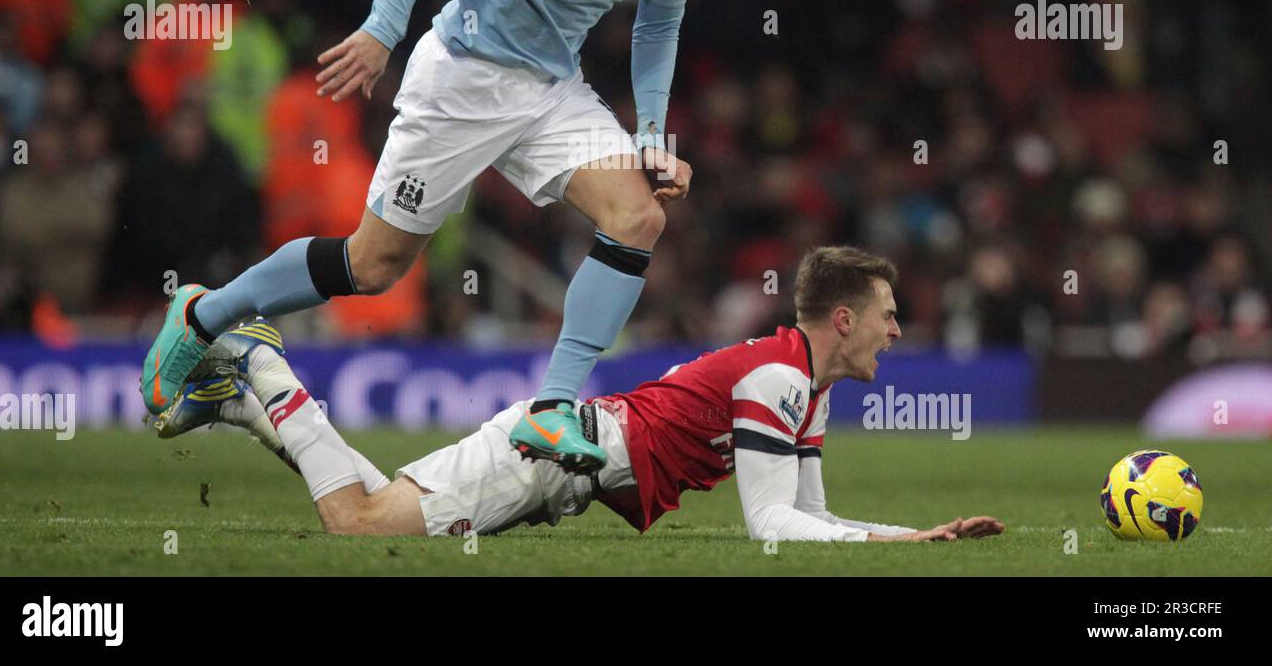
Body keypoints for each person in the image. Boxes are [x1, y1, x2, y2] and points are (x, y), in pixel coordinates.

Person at [141, 0, 769, 472]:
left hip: (552, 88)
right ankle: (202, 315)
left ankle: (553, 408)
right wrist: (383, 28)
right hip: (464, 74)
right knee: (372, 266)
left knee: (639, 216)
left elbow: (659, 21)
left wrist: (652, 135)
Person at [159, 247, 1004, 543]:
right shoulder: (780, 378)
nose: (897, 332)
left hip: (566, 471)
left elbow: (812, 519)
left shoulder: (805, 389)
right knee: (358, 525)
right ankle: (266, 372)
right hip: (549, 456)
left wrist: (915, 536)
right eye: (889, 317)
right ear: (846, 316)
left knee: (374, 506)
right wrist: (907, 540)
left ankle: (243, 402)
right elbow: (771, 526)